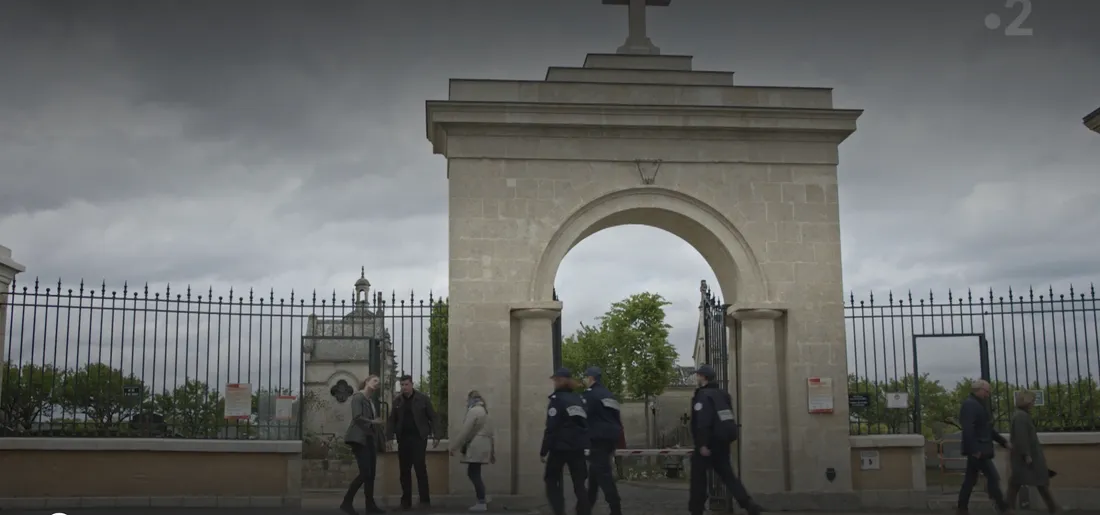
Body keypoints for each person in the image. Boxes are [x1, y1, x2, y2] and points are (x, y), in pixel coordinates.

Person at [688, 364, 763, 515]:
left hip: (708, 443)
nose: (697, 377)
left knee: (698, 478)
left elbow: (703, 421)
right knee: (728, 476)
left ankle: (696, 509)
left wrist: (702, 444)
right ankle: (748, 504)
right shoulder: (723, 394)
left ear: (703, 377)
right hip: (723, 442)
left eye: (698, 375)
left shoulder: (703, 396)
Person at [957, 379, 1013, 515]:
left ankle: (962, 508)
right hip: (979, 451)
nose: (988, 394)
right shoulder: (970, 405)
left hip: (979, 450)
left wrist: (1003, 442)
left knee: (970, 480)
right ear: (979, 390)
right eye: (987, 391)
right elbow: (968, 429)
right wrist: (974, 450)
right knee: (993, 477)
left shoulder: (977, 404)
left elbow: (987, 429)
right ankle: (1002, 507)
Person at [541, 367, 591, 515]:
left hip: (560, 447)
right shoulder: (579, 399)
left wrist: (544, 450)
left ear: (561, 381)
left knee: (551, 480)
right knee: (579, 484)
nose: (555, 383)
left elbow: (552, 427)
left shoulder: (557, 400)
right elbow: (585, 423)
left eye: (556, 380)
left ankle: (559, 510)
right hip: (578, 447)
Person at [387, 375, 441, 510]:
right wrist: (388, 437)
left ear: (412, 384)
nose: (404, 387)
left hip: (418, 438)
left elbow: (433, 417)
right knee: (404, 471)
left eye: (406, 384)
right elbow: (392, 420)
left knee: (420, 469)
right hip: (403, 439)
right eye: (402, 385)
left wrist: (437, 435)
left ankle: (424, 500)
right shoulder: (398, 401)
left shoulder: (422, 399)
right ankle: (406, 501)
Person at [1006, 390, 1059, 513]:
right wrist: (1026, 455)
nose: (1033, 404)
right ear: (1027, 402)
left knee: (1019, 482)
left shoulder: (1021, 415)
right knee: (1030, 482)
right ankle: (1053, 509)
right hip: (1027, 456)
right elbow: (1021, 437)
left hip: (1026, 456)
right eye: (1032, 401)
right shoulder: (1021, 416)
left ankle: (1008, 508)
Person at [341, 375, 387, 515]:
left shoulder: (370, 400)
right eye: (374, 381)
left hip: (369, 439)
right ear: (366, 381)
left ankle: (370, 506)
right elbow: (357, 417)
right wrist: (374, 422)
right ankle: (346, 503)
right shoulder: (358, 397)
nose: (376, 384)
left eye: (378, 383)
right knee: (365, 473)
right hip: (359, 439)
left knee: (371, 474)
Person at [581, 366, 622, 515]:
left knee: (604, 477)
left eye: (585, 377)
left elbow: (582, 417)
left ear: (591, 378)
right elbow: (617, 418)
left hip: (597, 440)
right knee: (594, 476)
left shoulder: (590, 395)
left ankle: (616, 509)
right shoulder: (609, 395)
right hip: (610, 440)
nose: (584, 380)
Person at [449, 390, 496, 512]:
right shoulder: (485, 411)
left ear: (471, 399)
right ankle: (483, 497)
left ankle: (481, 500)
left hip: (476, 446)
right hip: (484, 445)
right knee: (475, 472)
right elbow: (491, 434)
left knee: (473, 473)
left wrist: (454, 447)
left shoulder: (474, 411)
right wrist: (492, 451)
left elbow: (465, 431)